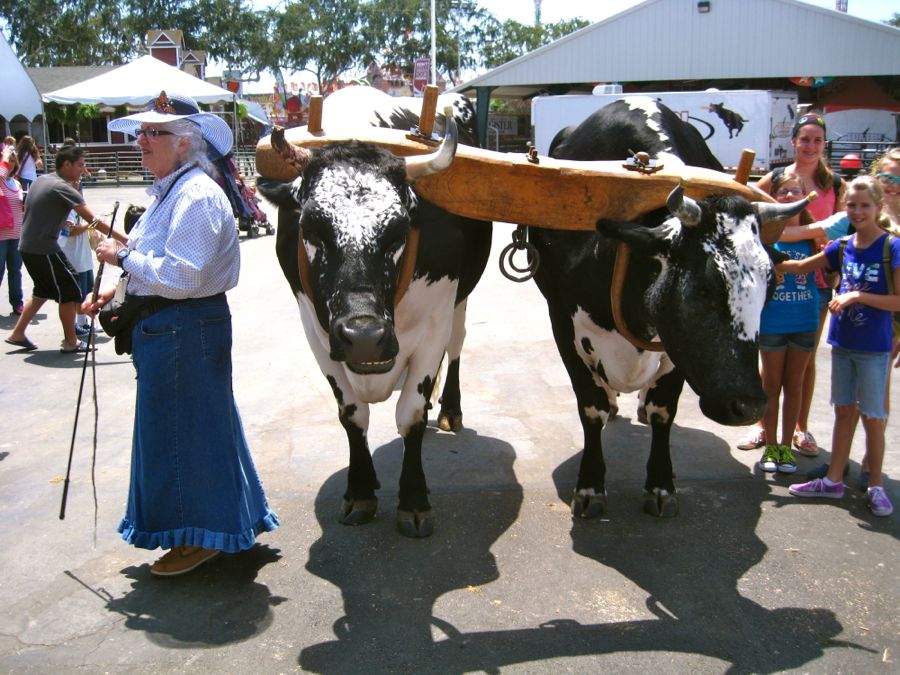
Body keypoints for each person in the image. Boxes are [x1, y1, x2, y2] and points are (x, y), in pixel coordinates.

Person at [82, 91, 278, 577]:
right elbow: (164, 263)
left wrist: (121, 257)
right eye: (142, 132)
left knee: (180, 435)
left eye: (155, 132)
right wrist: (117, 291)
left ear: (185, 142)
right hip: (177, 327)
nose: (142, 140)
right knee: (200, 429)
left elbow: (184, 276)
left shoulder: (193, 195)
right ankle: (221, 526)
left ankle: (198, 536)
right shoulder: (176, 190)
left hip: (182, 329)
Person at [778, 176, 899, 517]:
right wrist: (765, 254)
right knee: (843, 411)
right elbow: (801, 267)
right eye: (852, 205)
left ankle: (875, 484)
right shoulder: (843, 246)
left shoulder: (892, 247)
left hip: (875, 348)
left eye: (865, 205)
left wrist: (856, 295)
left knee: (873, 417)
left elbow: (898, 301)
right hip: (843, 345)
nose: (858, 211)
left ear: (878, 207)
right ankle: (833, 479)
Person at [740, 112, 845, 455]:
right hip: (775, 284)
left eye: (817, 140)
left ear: (824, 144)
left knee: (806, 359)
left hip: (816, 284)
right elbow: (755, 214)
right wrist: (815, 230)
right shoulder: (777, 178)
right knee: (769, 361)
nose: (811, 146)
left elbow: (843, 233)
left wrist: (828, 252)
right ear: (794, 143)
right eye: (805, 139)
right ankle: (762, 427)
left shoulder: (836, 185)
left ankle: (800, 428)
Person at [5, 145, 123, 353]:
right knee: (70, 291)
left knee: (42, 290)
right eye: (80, 165)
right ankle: (71, 341)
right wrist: (126, 240)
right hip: (45, 248)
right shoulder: (62, 187)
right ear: (66, 164)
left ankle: (18, 333)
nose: (83, 170)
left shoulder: (43, 179)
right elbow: (93, 220)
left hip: (28, 247)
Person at [755, 172, 819, 475]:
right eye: (783, 192)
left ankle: (785, 447)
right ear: (773, 197)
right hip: (772, 323)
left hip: (805, 321)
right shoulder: (764, 236)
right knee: (770, 385)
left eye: (796, 191)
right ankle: (770, 446)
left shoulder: (815, 237)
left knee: (795, 385)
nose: (790, 197)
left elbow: (829, 276)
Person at [0, 143, 25, 315]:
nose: (11, 164)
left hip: (17, 234)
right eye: (9, 161)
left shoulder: (17, 183)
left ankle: (17, 302)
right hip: (1, 236)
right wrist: (5, 156)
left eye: (13, 161)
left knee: (15, 271)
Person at [14, 135, 43, 201]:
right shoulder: (34, 153)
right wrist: (38, 157)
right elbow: (40, 166)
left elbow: (16, 167)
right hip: (32, 178)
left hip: (21, 178)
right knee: (33, 197)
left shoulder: (18, 153)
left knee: (23, 197)